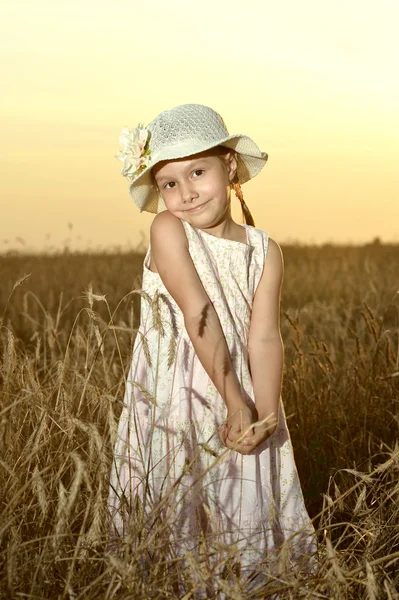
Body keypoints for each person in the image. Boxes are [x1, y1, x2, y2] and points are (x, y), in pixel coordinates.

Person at [108, 104, 316, 584]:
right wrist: (232, 399)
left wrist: (261, 414)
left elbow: (264, 337)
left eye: (197, 171)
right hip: (182, 397)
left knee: (241, 516)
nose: (185, 193)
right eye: (169, 183)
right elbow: (197, 314)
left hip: (244, 395)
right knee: (182, 509)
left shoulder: (264, 250)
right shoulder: (167, 230)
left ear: (228, 167)